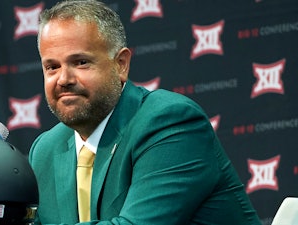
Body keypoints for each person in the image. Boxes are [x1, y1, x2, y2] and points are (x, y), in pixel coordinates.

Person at [28, 0, 262, 224]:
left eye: (81, 62)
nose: (64, 79)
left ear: (121, 64)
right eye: (52, 67)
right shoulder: (45, 150)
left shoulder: (170, 122)